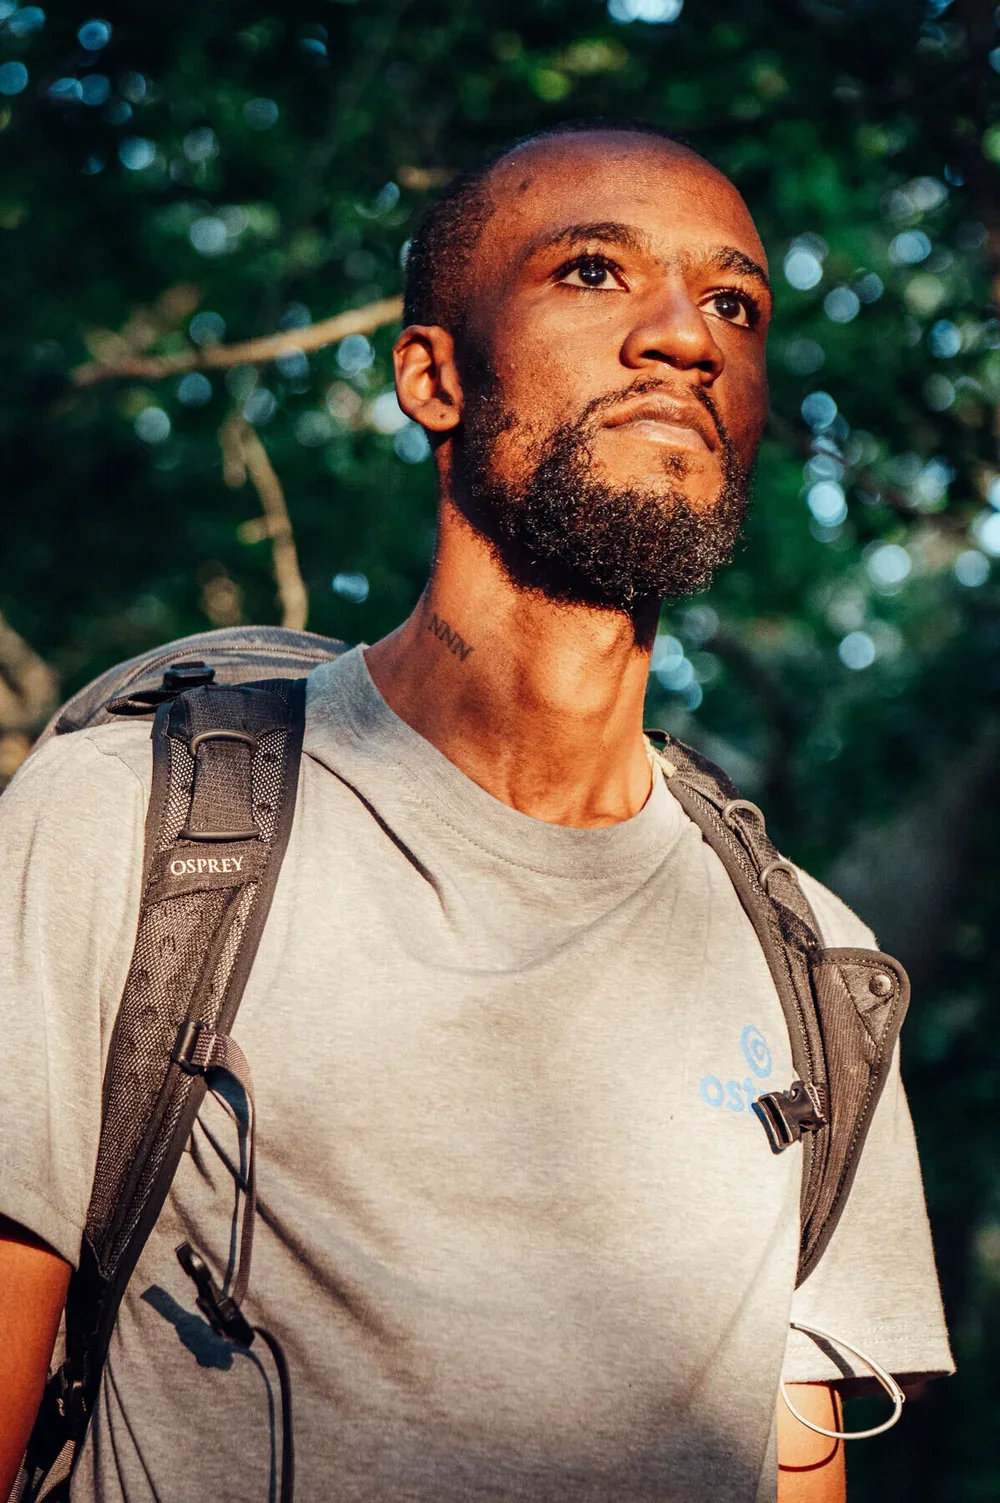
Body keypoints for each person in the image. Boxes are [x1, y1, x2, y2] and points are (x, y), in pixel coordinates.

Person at [0, 119, 952, 1503]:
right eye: (592, 272)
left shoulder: (817, 970)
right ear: (433, 376)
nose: (684, 336)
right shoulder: (123, 831)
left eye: (735, 305)